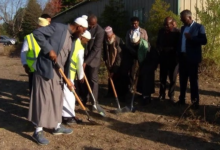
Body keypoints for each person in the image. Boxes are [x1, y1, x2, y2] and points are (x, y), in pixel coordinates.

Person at [28, 17, 88, 145]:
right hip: (45, 70)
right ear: (78, 26)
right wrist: (49, 49)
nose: (83, 33)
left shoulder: (73, 38)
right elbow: (37, 33)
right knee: (43, 100)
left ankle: (56, 126)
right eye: (84, 30)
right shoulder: (58, 27)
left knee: (57, 99)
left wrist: (68, 79)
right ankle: (38, 131)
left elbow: (66, 60)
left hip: (59, 73)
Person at [176, 10, 207, 109]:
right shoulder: (183, 28)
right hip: (183, 58)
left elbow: (204, 41)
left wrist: (192, 38)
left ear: (188, 17)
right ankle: (182, 99)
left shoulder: (199, 27)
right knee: (182, 80)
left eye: (182, 18)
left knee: (193, 81)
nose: (181, 19)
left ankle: (195, 102)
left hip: (192, 59)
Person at [62, 30, 91, 124]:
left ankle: (69, 115)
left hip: (65, 70)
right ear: (82, 37)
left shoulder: (72, 42)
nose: (87, 42)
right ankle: (67, 117)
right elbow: (79, 64)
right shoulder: (79, 47)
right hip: (69, 72)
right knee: (69, 95)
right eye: (87, 40)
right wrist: (81, 75)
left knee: (67, 94)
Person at [20, 15, 51, 95]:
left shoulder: (49, 37)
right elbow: (24, 52)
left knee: (43, 90)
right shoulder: (29, 37)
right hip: (33, 68)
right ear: (38, 26)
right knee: (33, 90)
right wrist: (25, 64)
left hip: (44, 67)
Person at [82, 14, 105, 108]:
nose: (90, 26)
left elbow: (96, 49)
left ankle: (94, 102)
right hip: (84, 57)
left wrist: (86, 62)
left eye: (92, 25)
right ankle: (85, 98)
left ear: (95, 23)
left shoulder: (100, 31)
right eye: (89, 24)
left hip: (93, 60)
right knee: (84, 79)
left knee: (93, 80)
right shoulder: (86, 27)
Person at [157, 17, 180, 101]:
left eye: (167, 25)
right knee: (162, 78)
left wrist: (170, 49)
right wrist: (160, 48)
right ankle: (161, 94)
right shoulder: (161, 31)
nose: (165, 26)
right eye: (164, 25)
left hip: (173, 59)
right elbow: (158, 43)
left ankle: (171, 95)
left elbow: (179, 46)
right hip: (163, 57)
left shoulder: (177, 33)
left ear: (172, 24)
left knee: (172, 78)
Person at [103, 26, 126, 99]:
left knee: (117, 78)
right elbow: (105, 51)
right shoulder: (105, 41)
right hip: (109, 62)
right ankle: (110, 92)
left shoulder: (118, 41)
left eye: (108, 36)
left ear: (111, 34)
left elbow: (119, 56)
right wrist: (105, 59)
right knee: (110, 78)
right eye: (106, 36)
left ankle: (119, 94)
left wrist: (114, 69)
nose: (107, 38)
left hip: (118, 63)